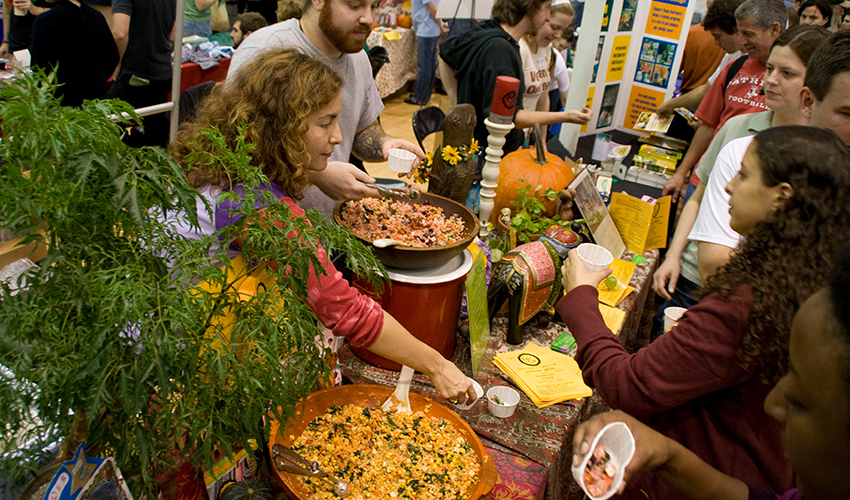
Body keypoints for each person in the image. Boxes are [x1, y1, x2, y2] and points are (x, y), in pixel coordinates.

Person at [557, 125, 850, 500]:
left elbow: (629, 385)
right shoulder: (800, 276)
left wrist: (582, 295)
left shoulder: (750, 300)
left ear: (781, 198)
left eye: (744, 175)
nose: (728, 187)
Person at [170, 48, 476, 404]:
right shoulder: (260, 207)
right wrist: (436, 365)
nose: (337, 137)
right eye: (325, 122)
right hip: (185, 347)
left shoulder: (231, 156)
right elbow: (342, 307)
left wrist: (317, 172)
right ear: (282, 127)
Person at [572, 224, 850, 500]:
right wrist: (667, 455)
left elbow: (630, 384)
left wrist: (579, 300)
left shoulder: (749, 304)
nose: (772, 404)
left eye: (799, 399)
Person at [652, 25, 829, 336]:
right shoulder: (737, 128)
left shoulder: (820, 154)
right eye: (770, 68)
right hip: (692, 277)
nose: (771, 79)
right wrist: (674, 255)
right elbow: (698, 194)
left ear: (811, 88)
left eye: (787, 73)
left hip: (747, 296)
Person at [227, 0, 425, 217]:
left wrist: (385, 144)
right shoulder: (266, 48)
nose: (368, 18)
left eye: (374, 6)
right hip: (275, 232)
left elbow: (362, 129)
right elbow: (235, 149)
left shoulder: (358, 58)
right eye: (355, 5)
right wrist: (318, 174)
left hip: (332, 228)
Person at [663, 0, 786, 203]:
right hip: (705, 177)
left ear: (774, 29)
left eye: (748, 34)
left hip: (749, 191)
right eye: (740, 33)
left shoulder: (790, 85)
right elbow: (709, 124)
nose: (742, 41)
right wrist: (681, 173)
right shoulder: (735, 66)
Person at [438, 0, 592, 158]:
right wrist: (567, 117)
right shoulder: (501, 52)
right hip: (492, 154)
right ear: (529, 8)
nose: (547, 17)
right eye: (545, 9)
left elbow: (445, 53)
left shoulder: (490, 30)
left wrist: (459, 103)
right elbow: (511, 117)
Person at [656, 0, 746, 116]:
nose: (716, 43)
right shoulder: (732, 55)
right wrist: (670, 104)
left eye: (718, 36)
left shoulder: (759, 58)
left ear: (736, 30)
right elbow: (706, 89)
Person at [109, 0, 176, 148]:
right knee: (154, 136)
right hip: (161, 75)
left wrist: (116, 62)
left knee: (108, 126)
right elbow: (174, 32)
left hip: (135, 76)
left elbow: (120, 33)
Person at [30, 0, 118, 107]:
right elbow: (113, 56)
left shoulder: (45, 20)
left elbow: (39, 68)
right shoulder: (97, 17)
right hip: (97, 101)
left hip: (61, 104)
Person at [518, 0, 574, 141]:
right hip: (508, 134)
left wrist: (541, 140)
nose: (557, 34)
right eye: (555, 27)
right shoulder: (519, 49)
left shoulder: (546, 50)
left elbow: (543, 97)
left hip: (525, 133)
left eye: (562, 30)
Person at [404, 0, 448, 106]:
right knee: (429, 65)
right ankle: (424, 94)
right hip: (430, 29)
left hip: (426, 30)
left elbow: (433, 8)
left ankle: (420, 97)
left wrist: (441, 24)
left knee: (424, 66)